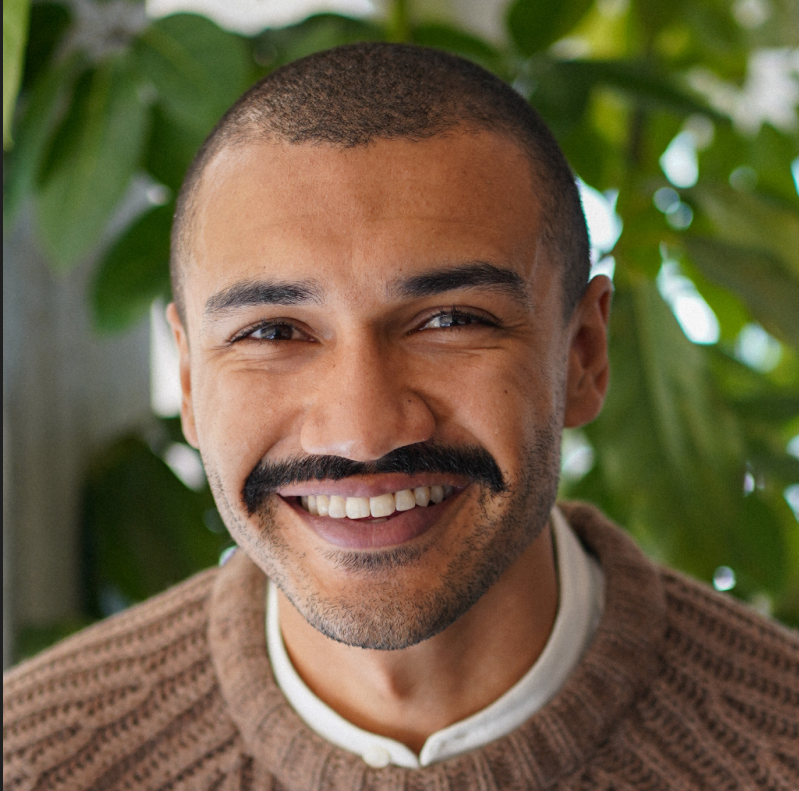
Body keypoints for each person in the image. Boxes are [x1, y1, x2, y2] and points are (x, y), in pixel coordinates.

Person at [4, 43, 797, 791]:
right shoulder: (33, 762)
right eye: (272, 332)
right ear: (186, 375)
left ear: (582, 353)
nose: (363, 430)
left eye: (450, 320)